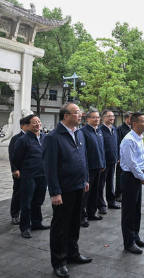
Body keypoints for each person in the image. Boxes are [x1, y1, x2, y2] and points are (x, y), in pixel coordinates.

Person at [43, 102, 91, 278]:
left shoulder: (78, 133)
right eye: (77, 113)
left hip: (79, 186)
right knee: (60, 227)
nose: (80, 115)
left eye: (80, 112)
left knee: (74, 223)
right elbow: (49, 167)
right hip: (63, 190)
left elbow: (83, 158)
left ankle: (73, 253)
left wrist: (85, 179)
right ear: (66, 116)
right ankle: (59, 261)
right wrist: (55, 192)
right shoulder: (53, 137)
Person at [13, 115, 50, 238]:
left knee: (38, 201)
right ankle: (25, 227)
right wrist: (16, 169)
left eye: (38, 121)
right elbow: (16, 157)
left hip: (42, 174)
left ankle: (36, 222)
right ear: (28, 125)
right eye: (34, 123)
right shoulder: (23, 140)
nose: (37, 124)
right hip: (29, 175)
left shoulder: (45, 138)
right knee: (27, 202)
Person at [120, 112, 144, 254]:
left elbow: (143, 158)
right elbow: (131, 163)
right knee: (128, 212)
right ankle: (129, 242)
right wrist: (141, 176)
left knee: (136, 210)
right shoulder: (128, 140)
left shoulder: (139, 138)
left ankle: (135, 236)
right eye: (143, 121)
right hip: (129, 177)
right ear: (134, 123)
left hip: (137, 177)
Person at [79, 109, 106, 227]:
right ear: (88, 119)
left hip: (99, 166)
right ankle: (82, 216)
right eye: (94, 117)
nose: (97, 119)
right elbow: (82, 151)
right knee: (85, 193)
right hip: (88, 167)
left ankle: (92, 212)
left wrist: (103, 163)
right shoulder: (83, 132)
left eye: (98, 117)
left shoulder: (99, 131)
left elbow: (102, 149)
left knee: (95, 191)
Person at [8, 117, 29, 225]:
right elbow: (12, 156)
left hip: (32, 171)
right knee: (18, 192)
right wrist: (15, 169)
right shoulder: (16, 138)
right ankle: (15, 214)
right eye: (28, 125)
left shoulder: (36, 137)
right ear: (22, 126)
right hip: (20, 171)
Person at [98, 109, 120, 212]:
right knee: (101, 184)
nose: (112, 118)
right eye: (109, 116)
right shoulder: (100, 130)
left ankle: (111, 202)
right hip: (103, 162)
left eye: (113, 116)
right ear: (103, 118)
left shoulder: (115, 130)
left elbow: (117, 145)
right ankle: (101, 205)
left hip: (112, 161)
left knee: (110, 183)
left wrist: (118, 156)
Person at [115, 111, 132, 202]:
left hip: (130, 157)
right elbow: (117, 143)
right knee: (120, 176)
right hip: (122, 158)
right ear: (126, 118)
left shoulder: (132, 129)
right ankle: (118, 194)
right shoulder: (120, 129)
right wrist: (118, 156)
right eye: (130, 118)